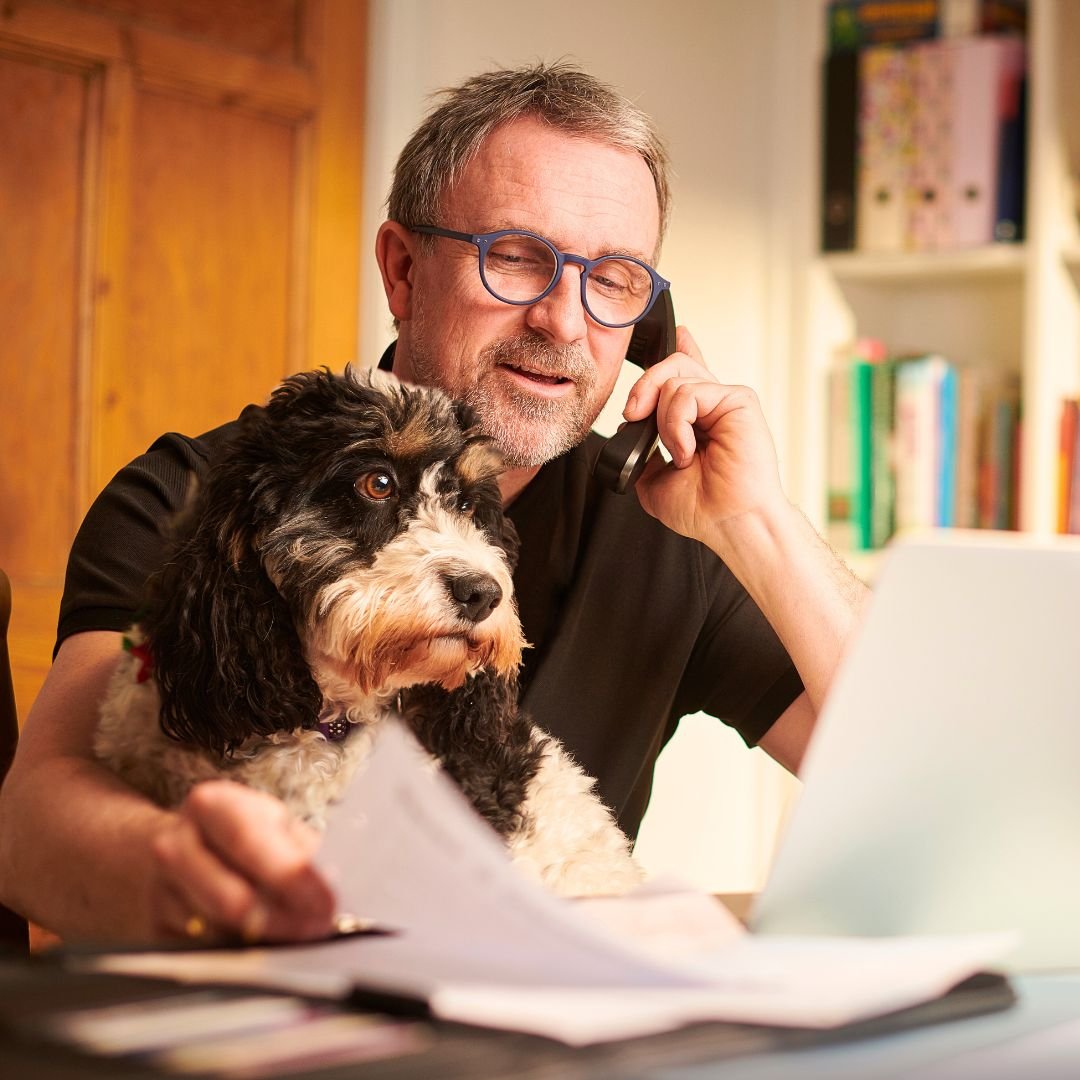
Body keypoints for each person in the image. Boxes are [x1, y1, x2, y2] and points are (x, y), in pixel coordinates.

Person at [0, 63, 868, 945]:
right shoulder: (201, 498)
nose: (566, 323)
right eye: (518, 257)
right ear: (405, 271)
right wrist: (201, 880)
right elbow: (33, 824)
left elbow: (925, 771)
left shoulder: (668, 526)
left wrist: (757, 522)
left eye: (613, 279)